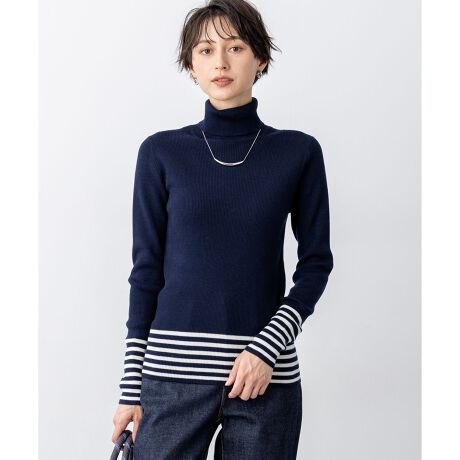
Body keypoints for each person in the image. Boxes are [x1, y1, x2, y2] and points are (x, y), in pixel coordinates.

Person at [112, 0, 334, 458]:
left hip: (264, 378)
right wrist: (130, 387)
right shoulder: (161, 153)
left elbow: (316, 264)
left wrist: (267, 349)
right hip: (171, 377)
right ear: (190, 65)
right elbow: (145, 272)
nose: (220, 62)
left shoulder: (298, 153)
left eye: (235, 47)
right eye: (205, 50)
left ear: (260, 58)